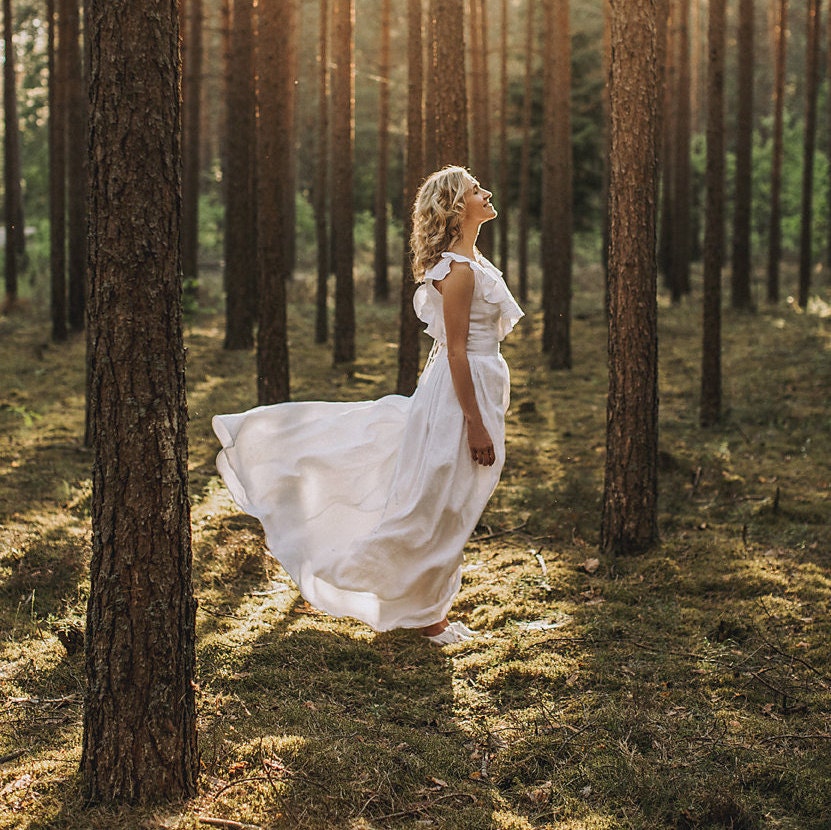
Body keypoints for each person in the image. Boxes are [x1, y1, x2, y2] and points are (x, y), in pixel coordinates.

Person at [212, 165, 523, 645]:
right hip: (465, 393)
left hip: (472, 386)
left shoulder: (472, 262)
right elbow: (457, 352)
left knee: (452, 502)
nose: (487, 193)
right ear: (457, 208)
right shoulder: (459, 272)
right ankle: (421, 614)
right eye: (475, 190)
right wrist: (474, 424)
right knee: (438, 504)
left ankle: (431, 609)